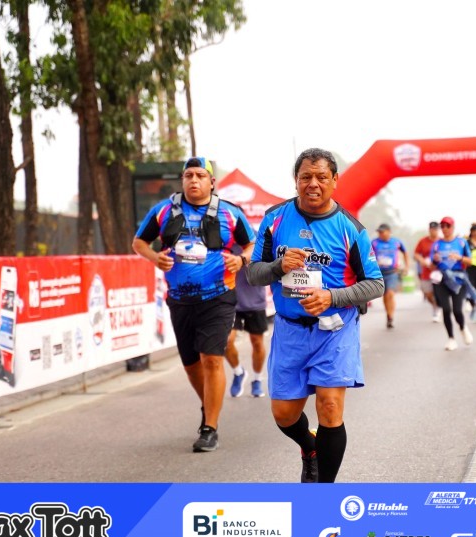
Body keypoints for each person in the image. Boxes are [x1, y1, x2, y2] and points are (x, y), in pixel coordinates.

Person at [247, 148, 384, 483]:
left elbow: (375, 284)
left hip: (335, 329)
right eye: (305, 176)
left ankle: (322, 493)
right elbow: (254, 274)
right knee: (284, 414)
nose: (313, 183)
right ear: (295, 180)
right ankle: (310, 449)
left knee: (330, 407)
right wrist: (278, 266)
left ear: (335, 180)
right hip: (290, 330)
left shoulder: (350, 228)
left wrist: (331, 297)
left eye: (322, 177)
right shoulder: (275, 219)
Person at [133, 156, 255, 453]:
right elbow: (139, 243)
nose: (194, 180)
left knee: (212, 359)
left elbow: (252, 245)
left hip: (218, 297)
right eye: (189, 175)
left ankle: (209, 427)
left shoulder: (230, 213)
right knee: (190, 365)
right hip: (180, 300)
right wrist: (155, 258)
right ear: (182, 180)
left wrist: (241, 260)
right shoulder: (163, 211)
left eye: (200, 175)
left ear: (211, 182)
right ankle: (208, 405)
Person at [225, 249, 267, 398]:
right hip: (230, 301)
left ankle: (257, 379)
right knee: (226, 341)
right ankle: (238, 372)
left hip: (255, 300)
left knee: (257, 342)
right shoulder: (226, 239)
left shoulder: (257, 242)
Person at [431, 216, 474, 351]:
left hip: (458, 279)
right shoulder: (437, 244)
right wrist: (435, 260)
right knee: (446, 309)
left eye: (447, 226)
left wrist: (459, 258)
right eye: (442, 226)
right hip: (442, 279)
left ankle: (462, 327)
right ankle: (451, 338)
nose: (445, 229)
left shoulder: (461, 242)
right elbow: (431, 264)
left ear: (453, 227)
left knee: (457, 310)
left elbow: (470, 261)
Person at [371, 223, 409, 329]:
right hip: (379, 273)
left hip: (392, 272)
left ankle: (391, 316)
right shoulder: (374, 242)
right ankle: (388, 314)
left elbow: (405, 253)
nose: (380, 234)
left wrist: (406, 266)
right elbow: (367, 254)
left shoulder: (396, 242)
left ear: (388, 231)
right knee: (384, 295)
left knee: (390, 294)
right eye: (379, 232)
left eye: (382, 232)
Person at [414, 221, 442, 322]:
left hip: (439, 271)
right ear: (429, 229)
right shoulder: (423, 241)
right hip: (426, 271)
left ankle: (437, 309)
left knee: (438, 292)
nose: (434, 231)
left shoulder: (441, 241)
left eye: (436, 229)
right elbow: (416, 253)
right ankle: (435, 305)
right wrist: (422, 261)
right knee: (428, 293)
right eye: (432, 229)